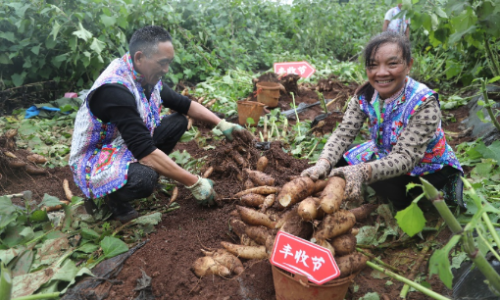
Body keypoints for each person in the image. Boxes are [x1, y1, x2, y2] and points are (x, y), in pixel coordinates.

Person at [69, 26, 253, 222]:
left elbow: (184, 104)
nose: (165, 70)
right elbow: (145, 151)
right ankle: (113, 199)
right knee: (145, 179)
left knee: (178, 121)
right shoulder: (115, 89)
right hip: (96, 158)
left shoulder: (145, 75)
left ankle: (148, 170)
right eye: (162, 63)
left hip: (123, 144)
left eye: (169, 63)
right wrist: (195, 182)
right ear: (140, 57)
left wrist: (222, 123)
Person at [301, 31, 463, 210]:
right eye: (373, 65)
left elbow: (405, 158)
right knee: (338, 162)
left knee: (384, 180)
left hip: (427, 163)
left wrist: (363, 171)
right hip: (386, 151)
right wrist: (324, 162)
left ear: (408, 65)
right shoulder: (365, 96)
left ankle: (406, 206)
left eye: (392, 64)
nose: (381, 73)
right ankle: (330, 196)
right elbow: (343, 134)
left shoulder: (424, 103)